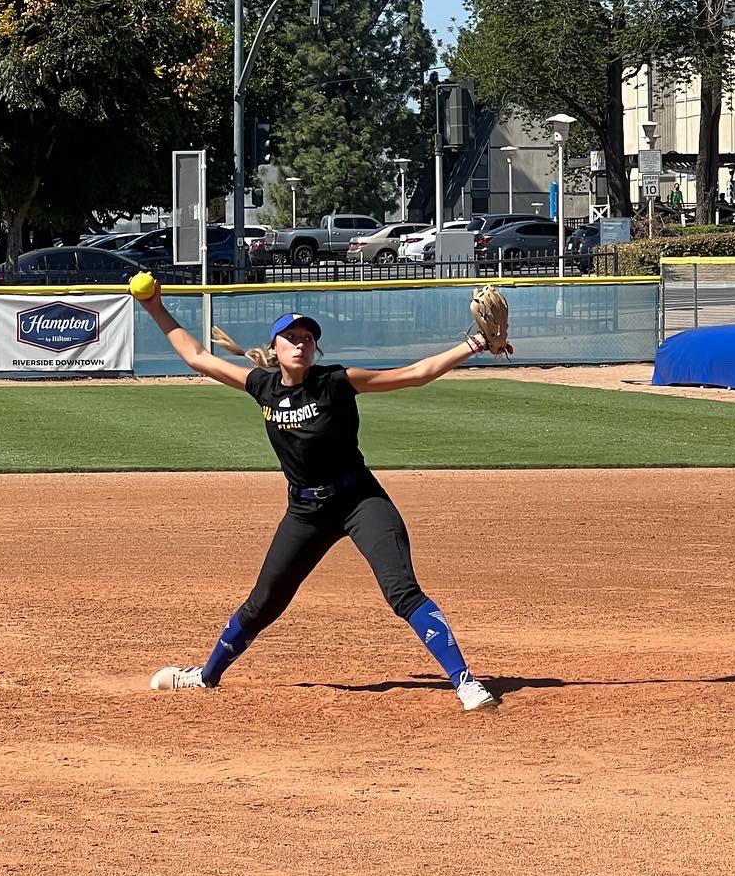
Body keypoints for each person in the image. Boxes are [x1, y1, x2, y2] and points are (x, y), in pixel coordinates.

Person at [133, 280, 503, 711]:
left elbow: (413, 375)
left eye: (308, 338)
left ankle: (465, 682)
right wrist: (154, 306)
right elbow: (196, 357)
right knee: (264, 602)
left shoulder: (336, 382)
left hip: (359, 501)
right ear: (275, 347)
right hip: (306, 512)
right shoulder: (262, 386)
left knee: (401, 590)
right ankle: (206, 676)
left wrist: (475, 344)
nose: (301, 343)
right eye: (291, 337)